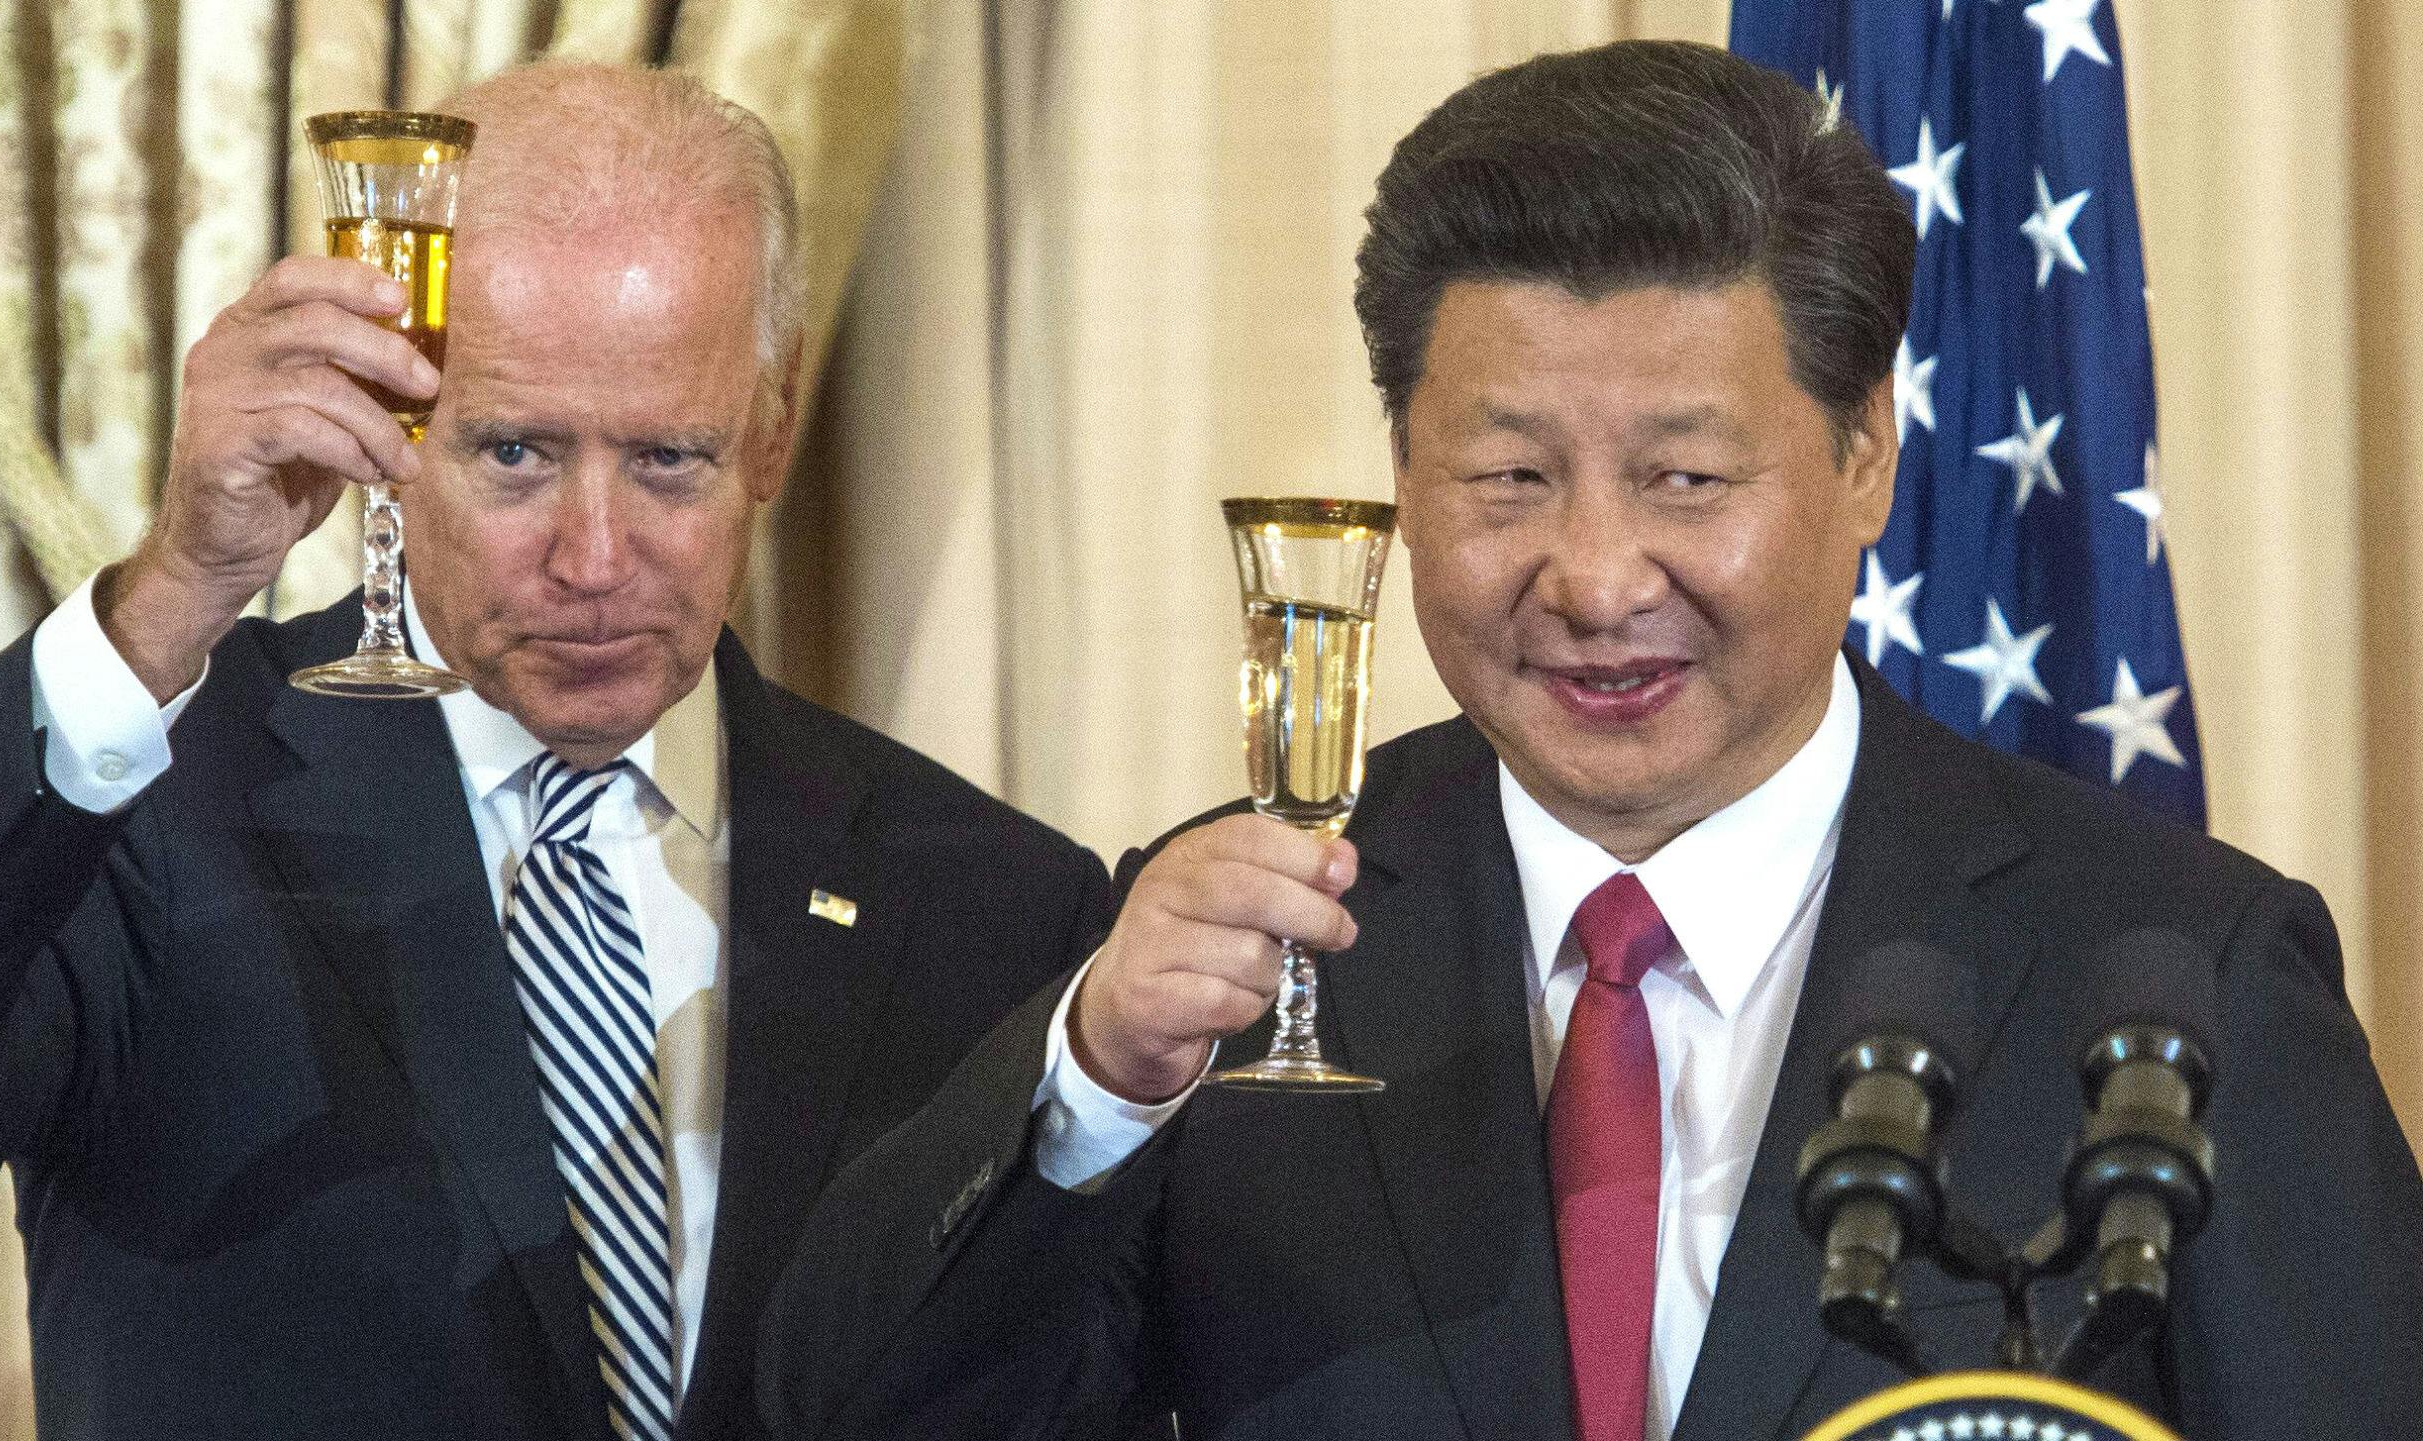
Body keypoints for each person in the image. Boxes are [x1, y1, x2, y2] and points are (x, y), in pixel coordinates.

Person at [757, 39, 2423, 1441]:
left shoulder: (2180, 973)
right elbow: (859, 1413)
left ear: (1864, 457)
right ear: (1402, 475)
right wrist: (1090, 1088)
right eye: (1510, 478)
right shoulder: (1236, 968)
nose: (1597, 577)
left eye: (1685, 478)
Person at [0, 62, 1106, 1441]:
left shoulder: (999, 904)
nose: (594, 557)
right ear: (384, 424)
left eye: (669, 460)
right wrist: (170, 594)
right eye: (516, 452)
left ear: (771, 424)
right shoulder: (147, 806)